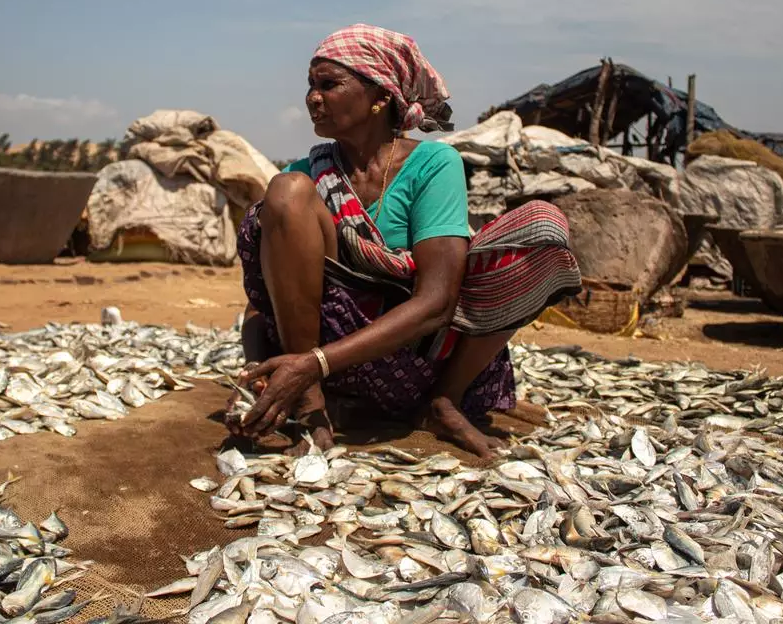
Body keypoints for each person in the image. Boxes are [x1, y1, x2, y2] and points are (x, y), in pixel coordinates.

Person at [227, 24, 581, 457]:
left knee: (540, 225)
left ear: (381, 96)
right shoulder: (306, 178)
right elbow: (264, 299)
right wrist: (264, 373)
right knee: (285, 190)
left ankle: (443, 402)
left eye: (329, 84)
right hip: (324, 365)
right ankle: (312, 405)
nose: (312, 98)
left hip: (415, 358)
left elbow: (437, 301)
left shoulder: (433, 163)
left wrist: (313, 363)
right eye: (310, 86)